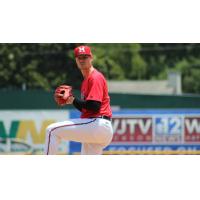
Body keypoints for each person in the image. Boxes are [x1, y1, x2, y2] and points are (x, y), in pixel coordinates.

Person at [44, 45, 113, 155]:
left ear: (91, 58)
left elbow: (95, 106)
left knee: (51, 130)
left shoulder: (95, 77)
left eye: (85, 57)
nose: (82, 60)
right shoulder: (86, 80)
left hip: (98, 124)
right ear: (76, 60)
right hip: (97, 127)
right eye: (79, 57)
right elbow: (87, 109)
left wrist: (74, 99)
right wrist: (72, 101)